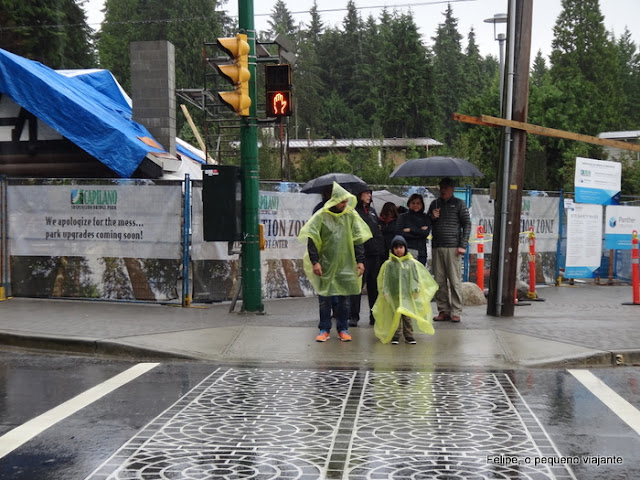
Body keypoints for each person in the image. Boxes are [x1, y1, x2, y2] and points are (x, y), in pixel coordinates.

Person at [298, 182, 372, 342]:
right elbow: (312, 239)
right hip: (326, 263)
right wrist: (315, 261)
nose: (345, 205)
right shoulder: (321, 216)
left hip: (346, 264)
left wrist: (360, 261)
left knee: (344, 299)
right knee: (325, 298)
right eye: (342, 201)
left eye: (346, 202)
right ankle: (324, 329)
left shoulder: (350, 215)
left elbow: (358, 239)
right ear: (334, 200)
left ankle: (342, 328)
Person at [371, 235, 438, 344]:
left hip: (407, 295)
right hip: (395, 294)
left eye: (401, 247)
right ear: (392, 249)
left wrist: (416, 290)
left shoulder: (411, 263)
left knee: (407, 316)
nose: (398, 250)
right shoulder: (389, 264)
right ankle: (396, 335)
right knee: (396, 315)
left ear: (405, 248)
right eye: (396, 247)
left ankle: (409, 335)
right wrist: (386, 291)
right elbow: (386, 279)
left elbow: (415, 278)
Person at [426, 177, 471, 323]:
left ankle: (456, 311)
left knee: (454, 280)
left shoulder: (459, 204)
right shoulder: (435, 203)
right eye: (441, 187)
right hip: (437, 246)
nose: (443, 189)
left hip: (453, 248)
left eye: (446, 187)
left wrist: (462, 245)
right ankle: (443, 310)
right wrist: (432, 217)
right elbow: (426, 223)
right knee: (439, 281)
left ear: (452, 189)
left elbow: (467, 225)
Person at [349, 186, 385, 327]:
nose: (369, 195)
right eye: (366, 193)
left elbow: (377, 230)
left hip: (375, 254)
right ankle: (353, 316)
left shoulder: (372, 211)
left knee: (374, 287)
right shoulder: (354, 212)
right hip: (362, 255)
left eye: (370, 193)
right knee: (357, 287)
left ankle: (374, 316)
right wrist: (359, 257)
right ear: (359, 195)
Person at [396, 193, 431, 266]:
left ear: (422, 205)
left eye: (418, 203)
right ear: (409, 204)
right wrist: (419, 231)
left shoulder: (425, 217)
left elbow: (425, 233)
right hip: (406, 251)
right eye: (413, 203)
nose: (415, 205)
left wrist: (410, 230)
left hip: (421, 252)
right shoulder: (403, 217)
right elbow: (399, 233)